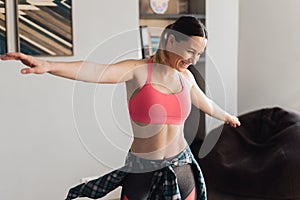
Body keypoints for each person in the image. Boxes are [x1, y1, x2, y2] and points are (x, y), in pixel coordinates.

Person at [1, 16, 240, 200]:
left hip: (181, 166)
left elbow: (205, 103)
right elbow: (94, 71)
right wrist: (49, 65)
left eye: (199, 54)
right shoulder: (137, 70)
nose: (193, 60)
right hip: (141, 166)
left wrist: (227, 116)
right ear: (171, 41)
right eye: (190, 51)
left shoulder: (186, 78)